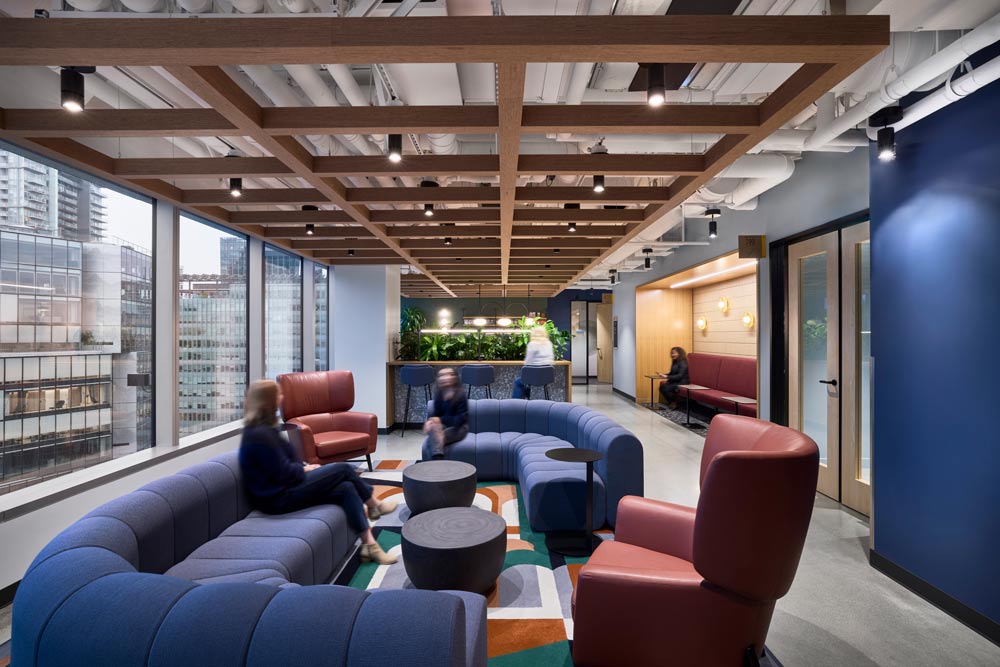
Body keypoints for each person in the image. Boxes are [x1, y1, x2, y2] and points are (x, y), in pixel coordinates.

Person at [238, 379, 398, 565]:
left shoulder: (266, 430)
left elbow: (288, 462)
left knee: (346, 487)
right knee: (344, 469)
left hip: (286, 487)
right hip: (278, 499)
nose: (282, 398)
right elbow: (284, 473)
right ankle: (374, 504)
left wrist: (303, 466)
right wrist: (305, 468)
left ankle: (370, 546)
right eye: (278, 395)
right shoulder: (259, 435)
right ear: (268, 401)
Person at [424, 367, 468, 460]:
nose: (445, 377)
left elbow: (460, 420)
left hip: (459, 428)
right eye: (442, 375)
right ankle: (438, 463)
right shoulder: (439, 394)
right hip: (444, 425)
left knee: (436, 439)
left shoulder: (460, 395)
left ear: (454, 378)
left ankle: (437, 463)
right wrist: (430, 421)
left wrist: (440, 420)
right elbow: (437, 414)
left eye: (449, 374)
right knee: (434, 431)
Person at [512, 326, 554, 399]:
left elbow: (528, 362)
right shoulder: (549, 344)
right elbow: (551, 360)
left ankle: (518, 404)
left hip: (533, 377)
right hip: (546, 377)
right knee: (526, 381)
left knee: (518, 382)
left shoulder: (532, 344)